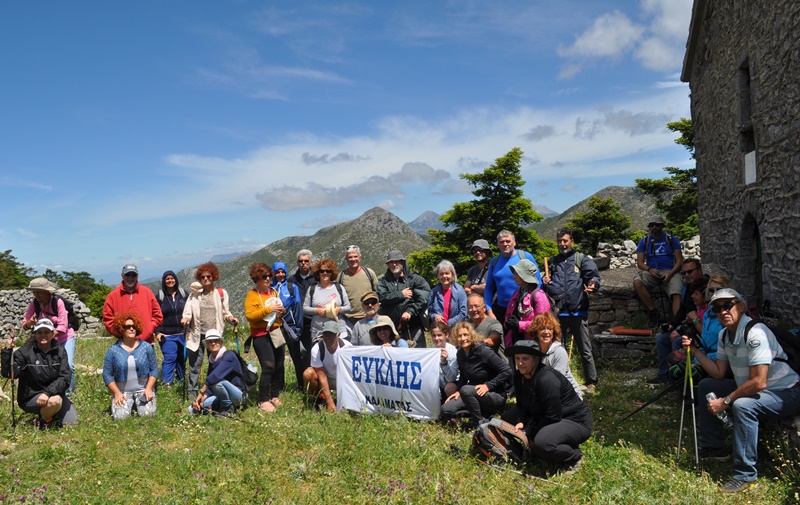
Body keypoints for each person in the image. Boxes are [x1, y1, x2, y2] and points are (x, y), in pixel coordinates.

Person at [682, 288, 800, 493]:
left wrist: (725, 401)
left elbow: (759, 382)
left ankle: (745, 475)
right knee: (707, 385)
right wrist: (695, 351)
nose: (723, 311)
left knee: (743, 405)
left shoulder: (756, 332)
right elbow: (719, 373)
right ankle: (714, 447)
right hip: (762, 390)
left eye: (728, 305)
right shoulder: (724, 335)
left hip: (787, 391)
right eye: (718, 309)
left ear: (741, 307)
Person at [502, 340, 593, 473]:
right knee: (506, 420)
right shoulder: (519, 376)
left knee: (542, 443)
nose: (520, 363)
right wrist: (521, 421)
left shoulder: (546, 379)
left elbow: (553, 415)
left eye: (525, 359)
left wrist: (529, 432)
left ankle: (574, 456)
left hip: (573, 420)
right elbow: (520, 403)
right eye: (517, 358)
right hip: (541, 414)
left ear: (536, 359)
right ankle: (523, 451)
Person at [542, 228, 601, 393]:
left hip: (578, 311)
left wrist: (593, 284)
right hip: (558, 313)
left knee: (585, 349)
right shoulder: (553, 262)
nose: (562, 244)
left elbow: (593, 277)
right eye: (559, 241)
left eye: (565, 240)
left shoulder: (582, 259)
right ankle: (557, 382)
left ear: (572, 241)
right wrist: (544, 280)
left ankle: (591, 382)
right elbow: (546, 283)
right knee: (556, 348)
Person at [2, 319, 78, 429]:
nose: (43, 335)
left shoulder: (60, 351)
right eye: (39, 332)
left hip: (54, 393)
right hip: (31, 396)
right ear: (35, 334)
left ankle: (50, 414)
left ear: (53, 334)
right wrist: (7, 351)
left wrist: (47, 393)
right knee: (54, 402)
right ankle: (45, 422)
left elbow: (65, 377)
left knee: (72, 423)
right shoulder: (25, 351)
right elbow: (9, 373)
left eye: (46, 332)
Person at [181, 262, 238, 397]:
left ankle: (214, 390)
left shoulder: (221, 293)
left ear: (214, 277)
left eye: (208, 276)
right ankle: (192, 392)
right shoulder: (194, 294)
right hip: (198, 334)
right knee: (195, 365)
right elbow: (188, 310)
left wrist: (231, 319)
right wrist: (186, 319)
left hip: (214, 335)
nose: (205, 279)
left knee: (216, 364)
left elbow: (225, 312)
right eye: (202, 277)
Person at [440, 321, 513, 424]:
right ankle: (482, 413)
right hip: (473, 393)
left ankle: (480, 422)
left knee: (465, 390)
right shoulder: (460, 354)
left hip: (494, 394)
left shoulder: (483, 351)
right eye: (460, 336)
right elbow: (463, 376)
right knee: (445, 409)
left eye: (466, 335)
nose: (463, 338)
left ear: (472, 335)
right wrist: (458, 391)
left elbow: (507, 370)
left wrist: (488, 386)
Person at [648, 258, 706, 384]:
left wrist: (679, 331)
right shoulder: (687, 287)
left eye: (690, 272)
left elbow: (699, 318)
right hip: (689, 328)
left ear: (699, 271)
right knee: (661, 338)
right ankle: (664, 375)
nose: (687, 275)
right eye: (683, 273)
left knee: (678, 341)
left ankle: (678, 381)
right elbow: (682, 310)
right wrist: (672, 325)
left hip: (700, 332)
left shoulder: (705, 289)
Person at [21, 277, 77, 394]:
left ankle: (69, 393)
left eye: (39, 292)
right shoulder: (34, 304)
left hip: (64, 338)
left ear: (47, 292)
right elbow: (25, 325)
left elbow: (62, 325)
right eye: (34, 292)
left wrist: (49, 337)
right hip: (44, 340)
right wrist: (30, 323)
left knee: (69, 365)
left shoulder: (58, 302)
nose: (36, 295)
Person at [244, 263, 286, 412]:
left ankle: (274, 395)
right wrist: (269, 309)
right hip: (261, 335)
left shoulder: (274, 292)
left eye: (269, 276)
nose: (267, 279)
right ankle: (262, 399)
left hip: (276, 331)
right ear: (257, 278)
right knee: (268, 366)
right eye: (264, 277)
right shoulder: (252, 295)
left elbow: (278, 312)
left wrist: (281, 311)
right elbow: (250, 316)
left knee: (279, 364)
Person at [102, 312, 158, 420]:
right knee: (120, 417)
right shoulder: (113, 350)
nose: (131, 329)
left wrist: (149, 389)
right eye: (127, 327)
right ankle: (129, 405)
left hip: (143, 390)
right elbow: (107, 374)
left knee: (148, 415)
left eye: (134, 326)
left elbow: (154, 370)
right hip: (123, 391)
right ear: (121, 329)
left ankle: (138, 405)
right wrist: (117, 393)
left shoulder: (146, 347)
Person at [632, 216, 683, 327]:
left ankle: (677, 323)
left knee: (677, 292)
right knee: (637, 282)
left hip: (670, 270)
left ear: (662, 226)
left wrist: (671, 273)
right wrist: (649, 269)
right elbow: (640, 263)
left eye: (657, 225)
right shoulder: (644, 241)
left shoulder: (672, 240)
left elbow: (679, 260)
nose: (654, 227)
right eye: (652, 225)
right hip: (652, 271)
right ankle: (653, 311)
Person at [484, 230, 542, 325]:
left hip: (525, 308)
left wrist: (535, 304)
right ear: (498, 244)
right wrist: (489, 310)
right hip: (501, 309)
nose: (505, 244)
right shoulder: (494, 262)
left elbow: (538, 282)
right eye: (501, 242)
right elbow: (489, 288)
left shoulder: (525, 257)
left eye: (508, 241)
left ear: (514, 242)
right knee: (505, 339)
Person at [376, 250, 431, 348]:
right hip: (392, 331)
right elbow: (381, 297)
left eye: (397, 261)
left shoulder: (414, 279)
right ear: (388, 264)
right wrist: (401, 294)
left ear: (403, 262)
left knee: (417, 357)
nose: (394, 264)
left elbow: (424, 297)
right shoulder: (383, 281)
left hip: (414, 328)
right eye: (391, 262)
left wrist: (410, 311)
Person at [189, 329, 244, 417]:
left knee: (216, 381)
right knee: (192, 409)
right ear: (206, 345)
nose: (213, 343)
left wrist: (201, 392)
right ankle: (218, 408)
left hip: (238, 395)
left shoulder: (229, 356)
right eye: (210, 342)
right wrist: (203, 398)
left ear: (221, 342)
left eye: (216, 341)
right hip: (221, 395)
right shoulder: (212, 360)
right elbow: (210, 386)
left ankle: (228, 408)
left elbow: (214, 377)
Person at [103, 264, 163, 343]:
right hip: (124, 344)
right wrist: (120, 333)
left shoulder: (147, 292)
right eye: (127, 275)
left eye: (133, 275)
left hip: (146, 341)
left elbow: (157, 314)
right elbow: (108, 319)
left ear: (137, 276)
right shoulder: (113, 296)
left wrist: (149, 328)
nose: (130, 278)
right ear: (122, 276)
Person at [528, 313, 582, 398]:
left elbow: (555, 382)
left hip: (568, 396)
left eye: (550, 329)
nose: (546, 332)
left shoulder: (559, 352)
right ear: (536, 332)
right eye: (542, 329)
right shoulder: (534, 353)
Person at [303, 320, 352, 412]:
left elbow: (352, 372)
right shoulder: (317, 349)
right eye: (325, 334)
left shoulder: (347, 347)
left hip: (343, 380)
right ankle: (318, 399)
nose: (328, 337)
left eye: (332, 334)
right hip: (326, 379)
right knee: (308, 373)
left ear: (338, 334)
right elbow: (322, 376)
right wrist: (330, 402)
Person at [503, 259, 550, 351]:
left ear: (523, 276)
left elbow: (543, 323)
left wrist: (519, 325)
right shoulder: (517, 293)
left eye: (516, 274)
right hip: (515, 341)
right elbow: (508, 315)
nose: (513, 277)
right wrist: (508, 323)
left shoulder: (538, 295)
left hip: (534, 345)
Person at [271, 261, 304, 389]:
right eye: (278, 272)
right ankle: (279, 386)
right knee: (278, 358)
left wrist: (298, 328)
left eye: (283, 271)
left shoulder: (291, 287)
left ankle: (301, 384)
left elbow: (297, 308)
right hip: (275, 327)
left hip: (291, 326)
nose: (280, 274)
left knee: (296, 357)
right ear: (273, 273)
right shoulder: (270, 288)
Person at [303, 258, 351, 342]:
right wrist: (316, 310)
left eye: (328, 271)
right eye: (322, 271)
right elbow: (305, 308)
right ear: (318, 273)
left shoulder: (339, 288)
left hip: (339, 331)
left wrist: (338, 309)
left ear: (332, 272)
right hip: (318, 332)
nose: (325, 273)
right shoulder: (312, 289)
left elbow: (348, 307)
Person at [154, 270, 188, 387]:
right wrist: (157, 332)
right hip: (166, 334)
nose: (170, 280)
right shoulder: (159, 297)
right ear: (164, 281)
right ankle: (166, 383)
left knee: (182, 358)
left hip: (183, 333)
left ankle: (181, 381)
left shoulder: (183, 294)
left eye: (172, 278)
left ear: (176, 279)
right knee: (170, 358)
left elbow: (191, 310)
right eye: (167, 279)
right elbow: (153, 315)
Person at [290, 249, 316, 391]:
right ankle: (301, 384)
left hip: (314, 322)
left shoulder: (317, 279)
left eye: (306, 261)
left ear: (311, 262)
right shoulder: (292, 281)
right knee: (298, 355)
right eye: (301, 261)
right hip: (297, 323)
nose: (304, 264)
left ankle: (314, 382)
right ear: (297, 263)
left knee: (314, 353)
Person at [338, 245, 378, 331]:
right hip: (348, 321)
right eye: (350, 257)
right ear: (346, 259)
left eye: (355, 256)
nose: (353, 259)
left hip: (369, 318)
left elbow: (377, 293)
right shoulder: (341, 276)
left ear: (360, 257)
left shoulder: (369, 273)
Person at [428, 260, 468, 326]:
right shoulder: (434, 292)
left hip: (456, 328)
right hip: (439, 329)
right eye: (441, 274)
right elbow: (430, 311)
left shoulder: (460, 290)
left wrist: (448, 323)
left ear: (452, 274)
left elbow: (463, 312)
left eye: (447, 273)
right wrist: (435, 316)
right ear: (438, 276)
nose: (444, 276)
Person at [431, 321, 459, 403]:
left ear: (446, 335)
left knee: (449, 387)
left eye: (439, 335)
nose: (436, 338)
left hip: (453, 384)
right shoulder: (431, 351)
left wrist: (444, 363)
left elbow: (451, 379)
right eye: (434, 336)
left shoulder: (453, 352)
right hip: (439, 385)